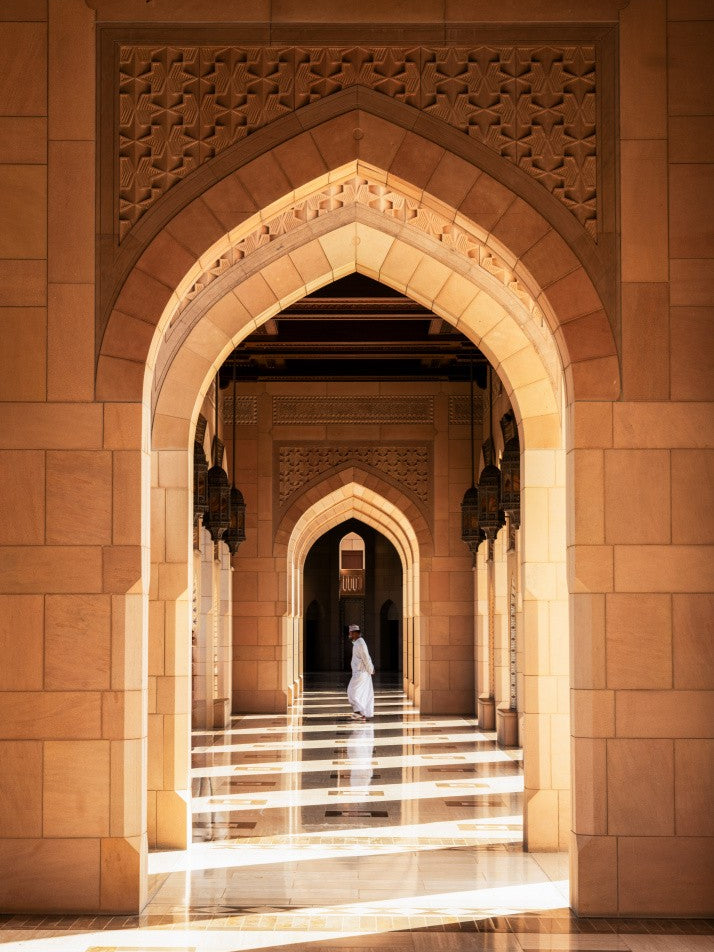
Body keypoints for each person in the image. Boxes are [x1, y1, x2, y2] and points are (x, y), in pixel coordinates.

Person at [346, 624, 374, 720]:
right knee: (360, 692)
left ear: (355, 633)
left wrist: (370, 669)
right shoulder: (357, 643)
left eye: (350, 633)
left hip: (361, 672)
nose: (349, 635)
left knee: (351, 691)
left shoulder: (360, 643)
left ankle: (358, 712)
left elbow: (366, 657)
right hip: (359, 672)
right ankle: (361, 713)